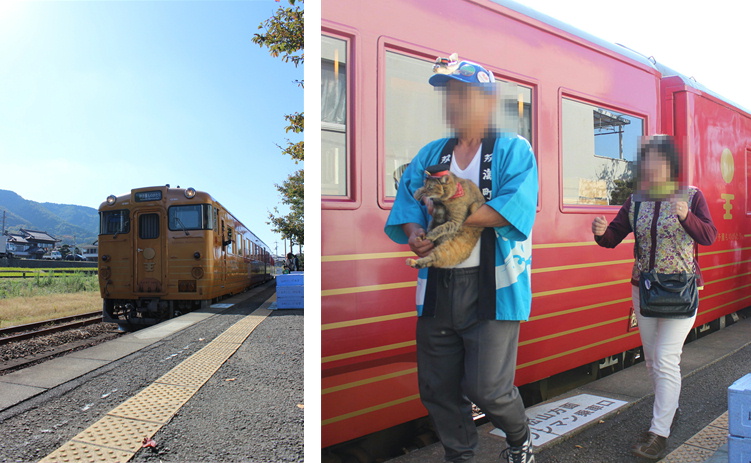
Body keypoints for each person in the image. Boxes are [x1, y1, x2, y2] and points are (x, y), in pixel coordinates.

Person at [384, 54, 538, 463]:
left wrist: (449, 223)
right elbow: (407, 211)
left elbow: (512, 207)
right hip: (438, 288)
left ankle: (520, 437)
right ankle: (460, 456)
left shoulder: (512, 149)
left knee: (488, 388)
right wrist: (416, 235)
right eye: (447, 95)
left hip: (494, 288)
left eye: (462, 94)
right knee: (436, 388)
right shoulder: (431, 155)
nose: (452, 103)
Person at [591, 135, 716, 460]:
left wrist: (687, 216)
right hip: (643, 290)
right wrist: (600, 231)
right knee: (651, 359)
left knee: (665, 358)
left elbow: (710, 236)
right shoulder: (636, 201)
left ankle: (658, 432)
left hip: (680, 290)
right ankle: (668, 408)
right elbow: (612, 239)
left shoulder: (691, 195)